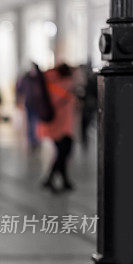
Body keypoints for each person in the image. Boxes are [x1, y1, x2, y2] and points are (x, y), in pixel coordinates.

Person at [38, 63, 77, 192]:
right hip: (62, 125)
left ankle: (64, 181)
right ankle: (49, 179)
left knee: (62, 153)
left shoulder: (49, 82)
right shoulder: (66, 84)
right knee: (64, 153)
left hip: (53, 124)